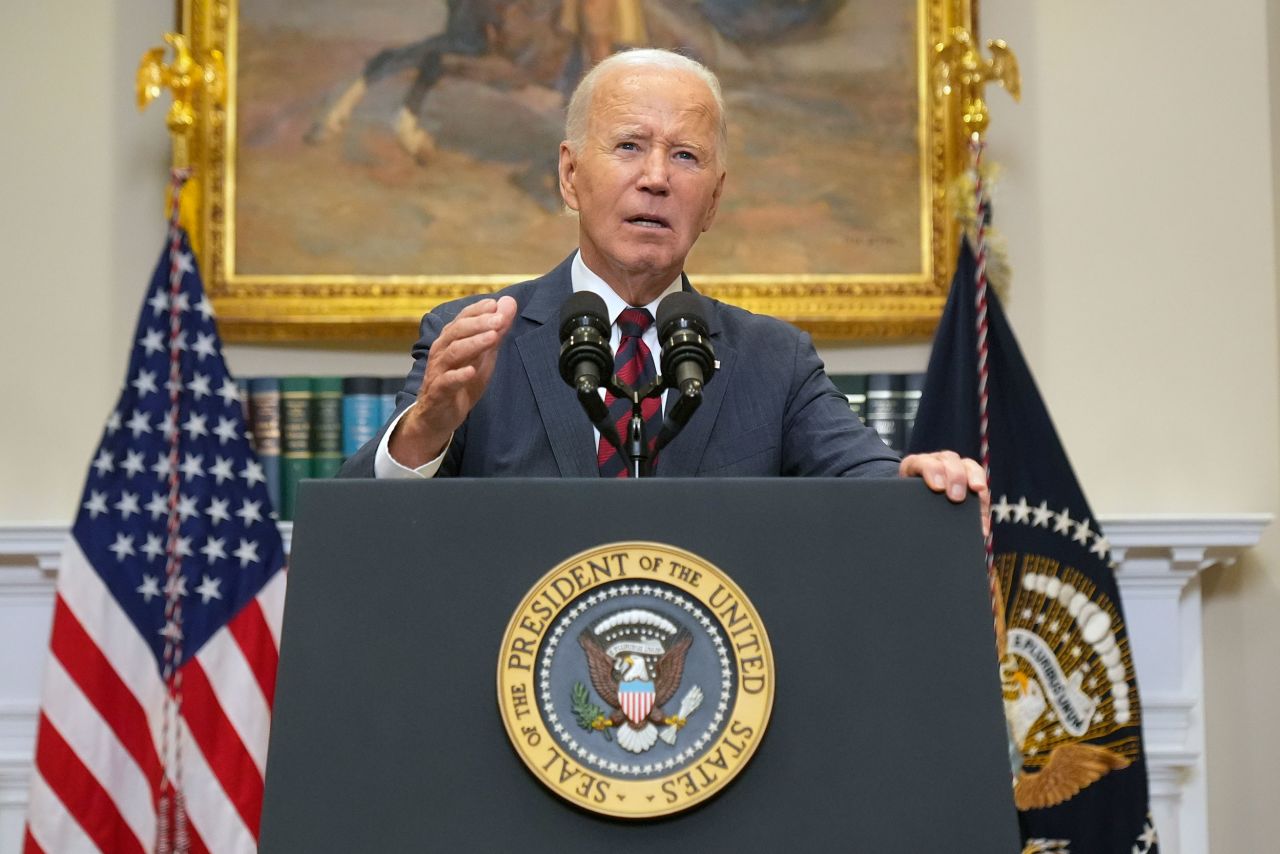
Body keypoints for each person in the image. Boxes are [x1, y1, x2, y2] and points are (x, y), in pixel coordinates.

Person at [339, 48, 988, 522]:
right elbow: (361, 527)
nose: (656, 177)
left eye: (685, 156)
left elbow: (862, 475)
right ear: (570, 176)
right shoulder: (477, 340)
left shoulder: (773, 359)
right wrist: (427, 427)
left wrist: (913, 480)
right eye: (628, 146)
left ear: (712, 201)